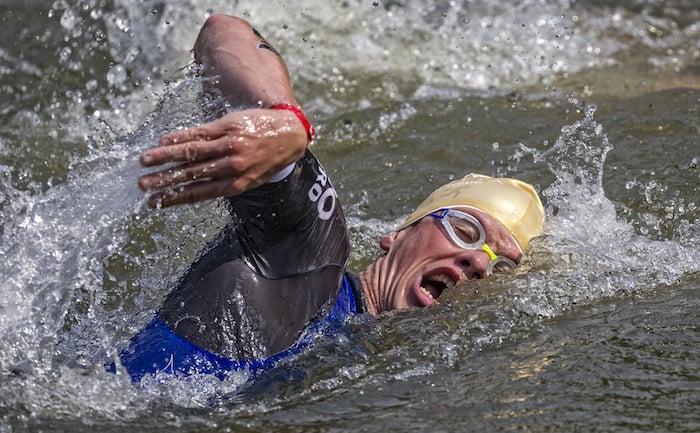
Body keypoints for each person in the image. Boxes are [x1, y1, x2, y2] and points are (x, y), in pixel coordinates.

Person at [115, 15, 544, 383]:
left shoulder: (374, 365)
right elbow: (223, 30)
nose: (481, 263)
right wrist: (283, 120)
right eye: (465, 231)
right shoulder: (309, 254)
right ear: (397, 234)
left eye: (500, 265)